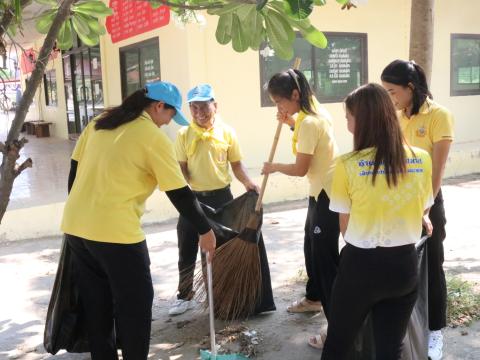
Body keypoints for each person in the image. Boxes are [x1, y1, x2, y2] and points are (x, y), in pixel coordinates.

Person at [61, 81, 216, 360]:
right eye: (170, 115)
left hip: (76, 228)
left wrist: (81, 212)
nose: (168, 123)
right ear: (158, 106)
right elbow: (179, 193)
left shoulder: (100, 121)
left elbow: (74, 170)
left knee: (98, 305)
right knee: (135, 306)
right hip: (116, 235)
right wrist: (205, 229)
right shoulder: (152, 137)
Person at [312, 83, 434, 359]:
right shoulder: (422, 160)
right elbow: (423, 210)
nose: (346, 124)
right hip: (404, 267)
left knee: (338, 345)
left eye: (348, 117)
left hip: (360, 267)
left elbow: (344, 227)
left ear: (362, 120)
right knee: (390, 348)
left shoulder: (346, 165)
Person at [382, 59, 454, 360]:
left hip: (428, 204)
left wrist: (424, 209)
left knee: (431, 265)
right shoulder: (396, 116)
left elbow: (435, 173)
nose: (390, 98)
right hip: (397, 203)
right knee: (400, 266)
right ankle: (403, 327)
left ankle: (434, 331)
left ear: (411, 87)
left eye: (393, 91)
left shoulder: (439, 116)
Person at [169, 83, 258, 316]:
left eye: (204, 107)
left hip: (222, 197)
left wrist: (248, 182)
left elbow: (236, 165)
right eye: (194, 108)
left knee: (221, 248)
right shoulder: (183, 134)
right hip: (194, 200)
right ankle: (185, 295)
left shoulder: (227, 132)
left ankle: (220, 294)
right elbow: (182, 169)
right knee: (186, 246)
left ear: (215, 106)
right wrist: (181, 185)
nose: (199, 113)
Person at [261, 69, 340, 316]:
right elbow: (309, 134)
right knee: (311, 247)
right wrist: (290, 123)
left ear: (295, 94)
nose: (278, 107)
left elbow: (299, 168)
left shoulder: (308, 122)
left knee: (323, 257)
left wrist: (273, 167)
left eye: (279, 101)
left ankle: (336, 316)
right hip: (321, 191)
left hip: (327, 194)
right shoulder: (314, 111)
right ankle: (315, 297)